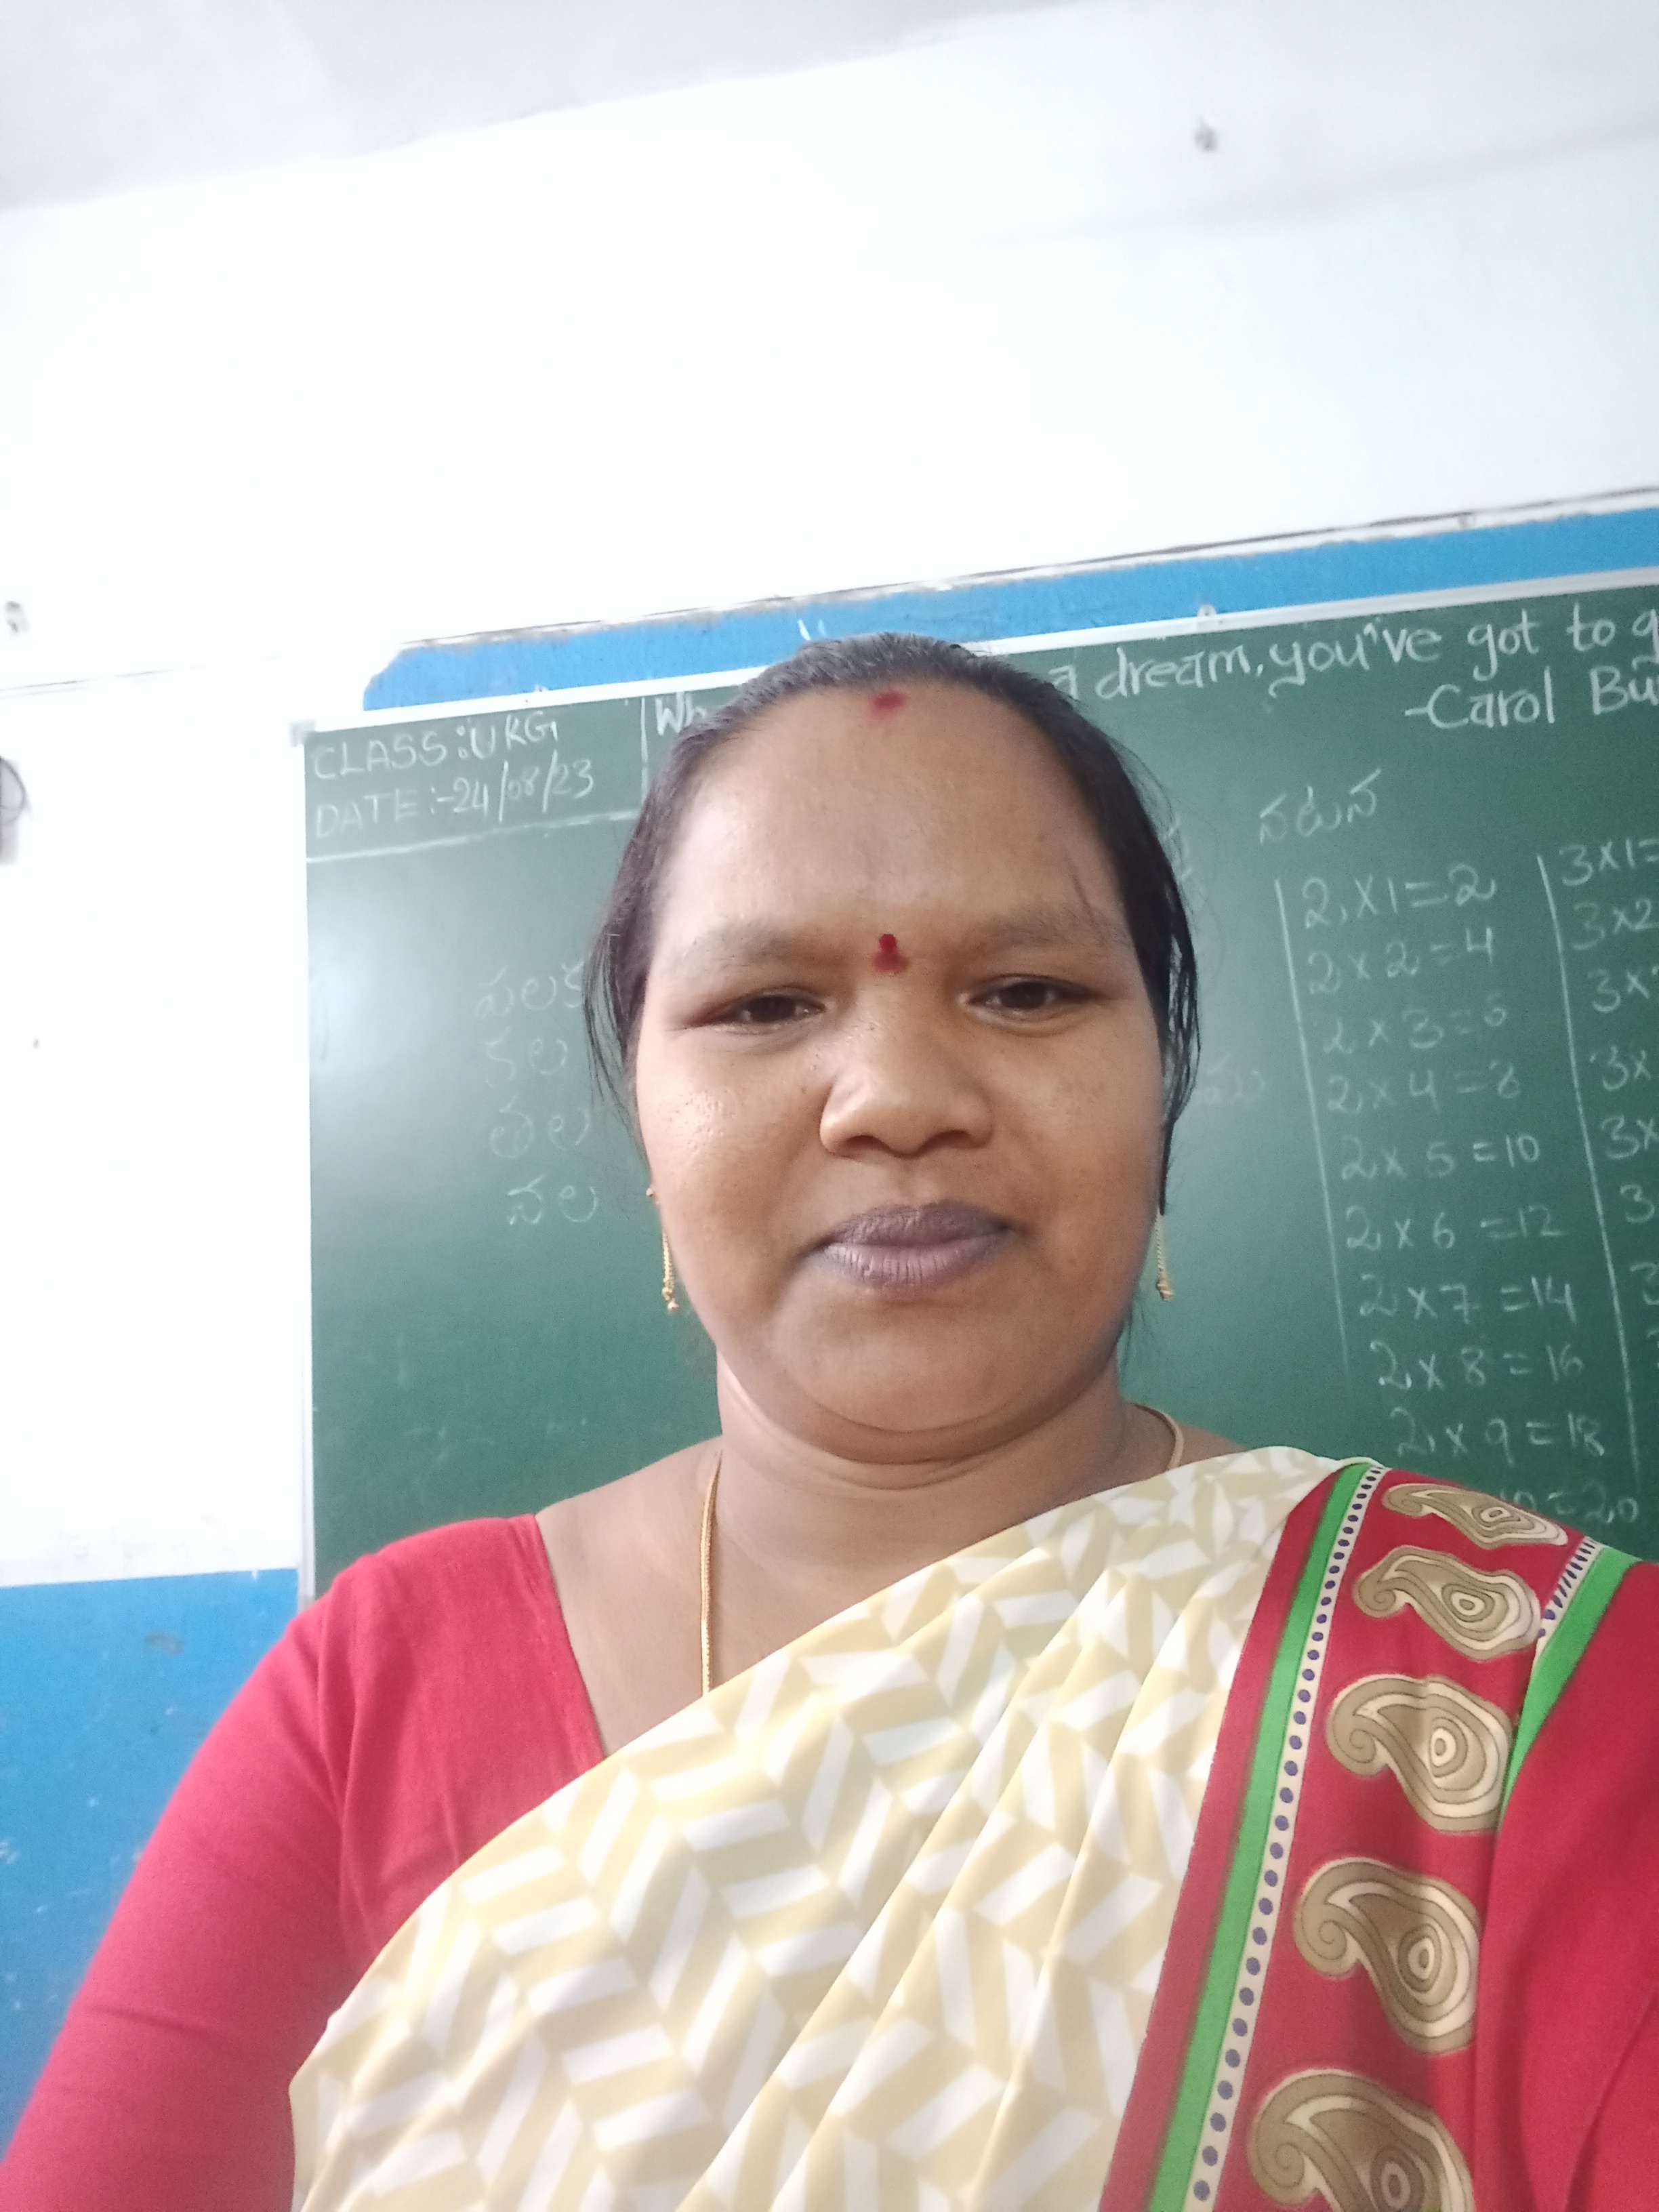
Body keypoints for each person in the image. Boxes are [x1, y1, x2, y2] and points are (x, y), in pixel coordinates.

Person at [5, 634, 1656, 2210]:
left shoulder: (1518, 1693)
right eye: (764, 1007)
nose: (896, 1098)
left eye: (1026, 989)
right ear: (645, 1124)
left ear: (1164, 1087)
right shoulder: (377, 1696)